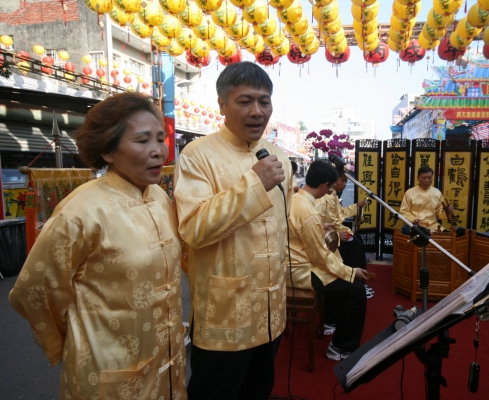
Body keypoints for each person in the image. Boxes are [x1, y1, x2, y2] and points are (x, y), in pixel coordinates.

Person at [9, 92, 187, 400]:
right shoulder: (81, 211)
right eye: (143, 141)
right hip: (109, 371)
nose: (159, 151)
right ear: (108, 150)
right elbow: (34, 290)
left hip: (167, 363)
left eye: (161, 139)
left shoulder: (159, 198)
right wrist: (79, 338)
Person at [174, 61, 293, 399]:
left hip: (271, 309)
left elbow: (284, 225)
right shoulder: (198, 155)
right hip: (225, 313)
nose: (257, 111)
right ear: (222, 105)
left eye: (264, 101)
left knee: (259, 390)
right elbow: (194, 228)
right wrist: (254, 183)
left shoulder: (280, 157)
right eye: (245, 101)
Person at [288, 160, 368, 361]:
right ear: (324, 185)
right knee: (355, 290)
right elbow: (320, 257)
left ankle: (332, 324)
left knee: (344, 269)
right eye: (332, 186)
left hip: (296, 262)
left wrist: (320, 230)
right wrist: (350, 272)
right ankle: (340, 347)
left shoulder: (295, 199)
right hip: (301, 270)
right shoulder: (309, 211)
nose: (332, 190)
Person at [399, 166, 454, 234]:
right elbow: (404, 211)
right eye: (424, 178)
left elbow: (439, 213)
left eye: (429, 177)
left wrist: (447, 211)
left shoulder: (437, 192)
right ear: (418, 178)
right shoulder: (409, 193)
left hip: (433, 226)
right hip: (416, 226)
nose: (427, 180)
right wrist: (413, 219)